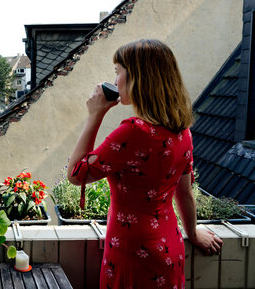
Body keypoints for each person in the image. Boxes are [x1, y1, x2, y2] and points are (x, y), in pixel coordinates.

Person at [67, 39, 222, 288]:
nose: (115, 80)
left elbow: (76, 175)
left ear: (139, 77)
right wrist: (192, 233)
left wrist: (95, 114)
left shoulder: (133, 133)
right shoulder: (182, 131)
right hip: (169, 248)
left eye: (118, 72)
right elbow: (185, 194)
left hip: (132, 255)